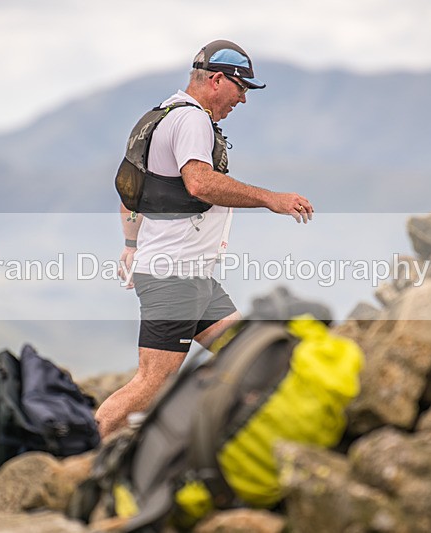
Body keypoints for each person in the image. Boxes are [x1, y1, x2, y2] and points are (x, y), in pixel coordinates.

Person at [95, 39, 314, 438]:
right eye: (241, 88)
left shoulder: (163, 115)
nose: (243, 99)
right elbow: (199, 183)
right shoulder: (192, 120)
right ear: (216, 80)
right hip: (175, 277)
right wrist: (271, 199)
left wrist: (132, 245)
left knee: (247, 358)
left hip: (191, 278)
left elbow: (130, 191)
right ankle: (81, 455)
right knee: (151, 382)